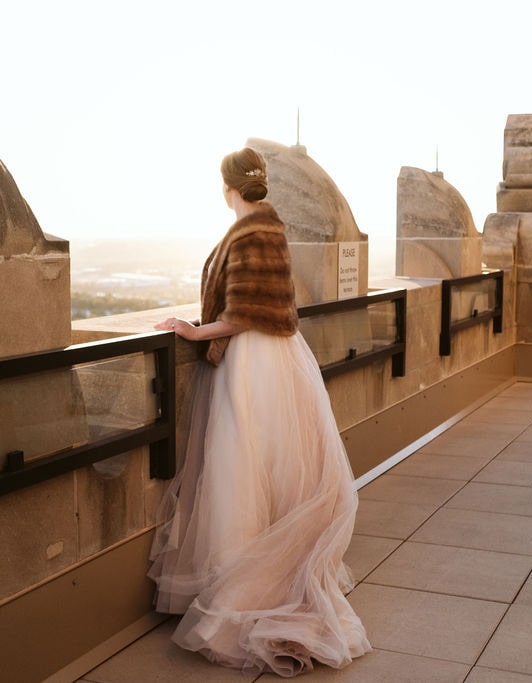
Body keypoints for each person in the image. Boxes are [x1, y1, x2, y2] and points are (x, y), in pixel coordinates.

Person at [149, 147, 370, 677]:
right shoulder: (270, 228)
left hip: (253, 361)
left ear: (228, 187)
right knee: (266, 468)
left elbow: (245, 312)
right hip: (275, 357)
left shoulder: (250, 232)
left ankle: (242, 580)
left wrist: (196, 331)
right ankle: (259, 567)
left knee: (241, 468)